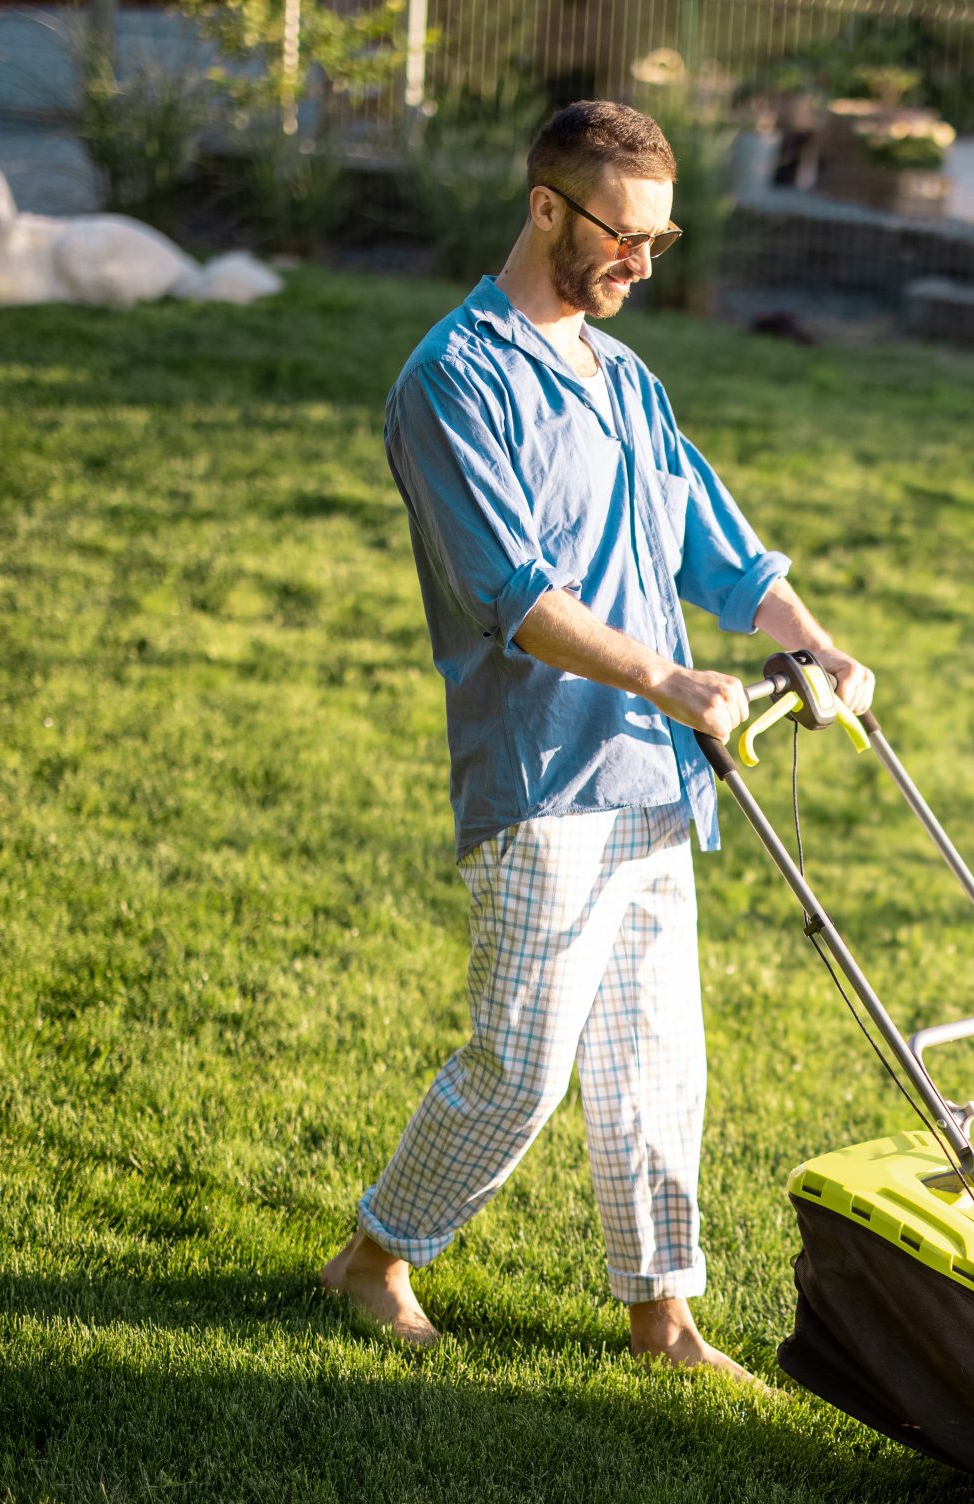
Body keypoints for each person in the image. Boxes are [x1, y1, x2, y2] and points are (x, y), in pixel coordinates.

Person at [319, 101, 875, 1379]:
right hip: (543, 778)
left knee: (655, 1067)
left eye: (658, 239)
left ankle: (662, 1317)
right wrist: (664, 674)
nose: (637, 261)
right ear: (544, 208)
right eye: (619, 236)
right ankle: (375, 1254)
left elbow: (721, 550)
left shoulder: (625, 381)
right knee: (523, 1063)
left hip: (658, 777)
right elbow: (513, 595)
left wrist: (815, 642)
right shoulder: (453, 381)